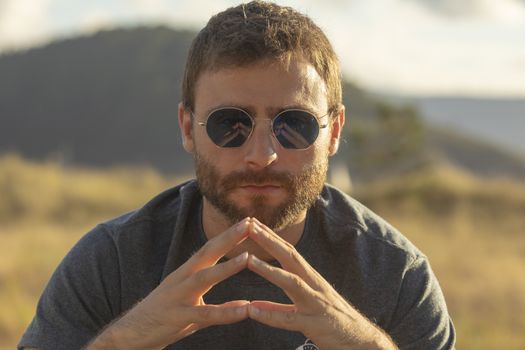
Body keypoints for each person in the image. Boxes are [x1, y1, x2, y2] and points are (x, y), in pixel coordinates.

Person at [19, 1, 456, 349]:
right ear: (189, 129)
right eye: (231, 124)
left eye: (294, 125)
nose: (262, 155)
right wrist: (125, 341)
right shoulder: (111, 261)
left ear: (334, 131)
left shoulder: (395, 274)